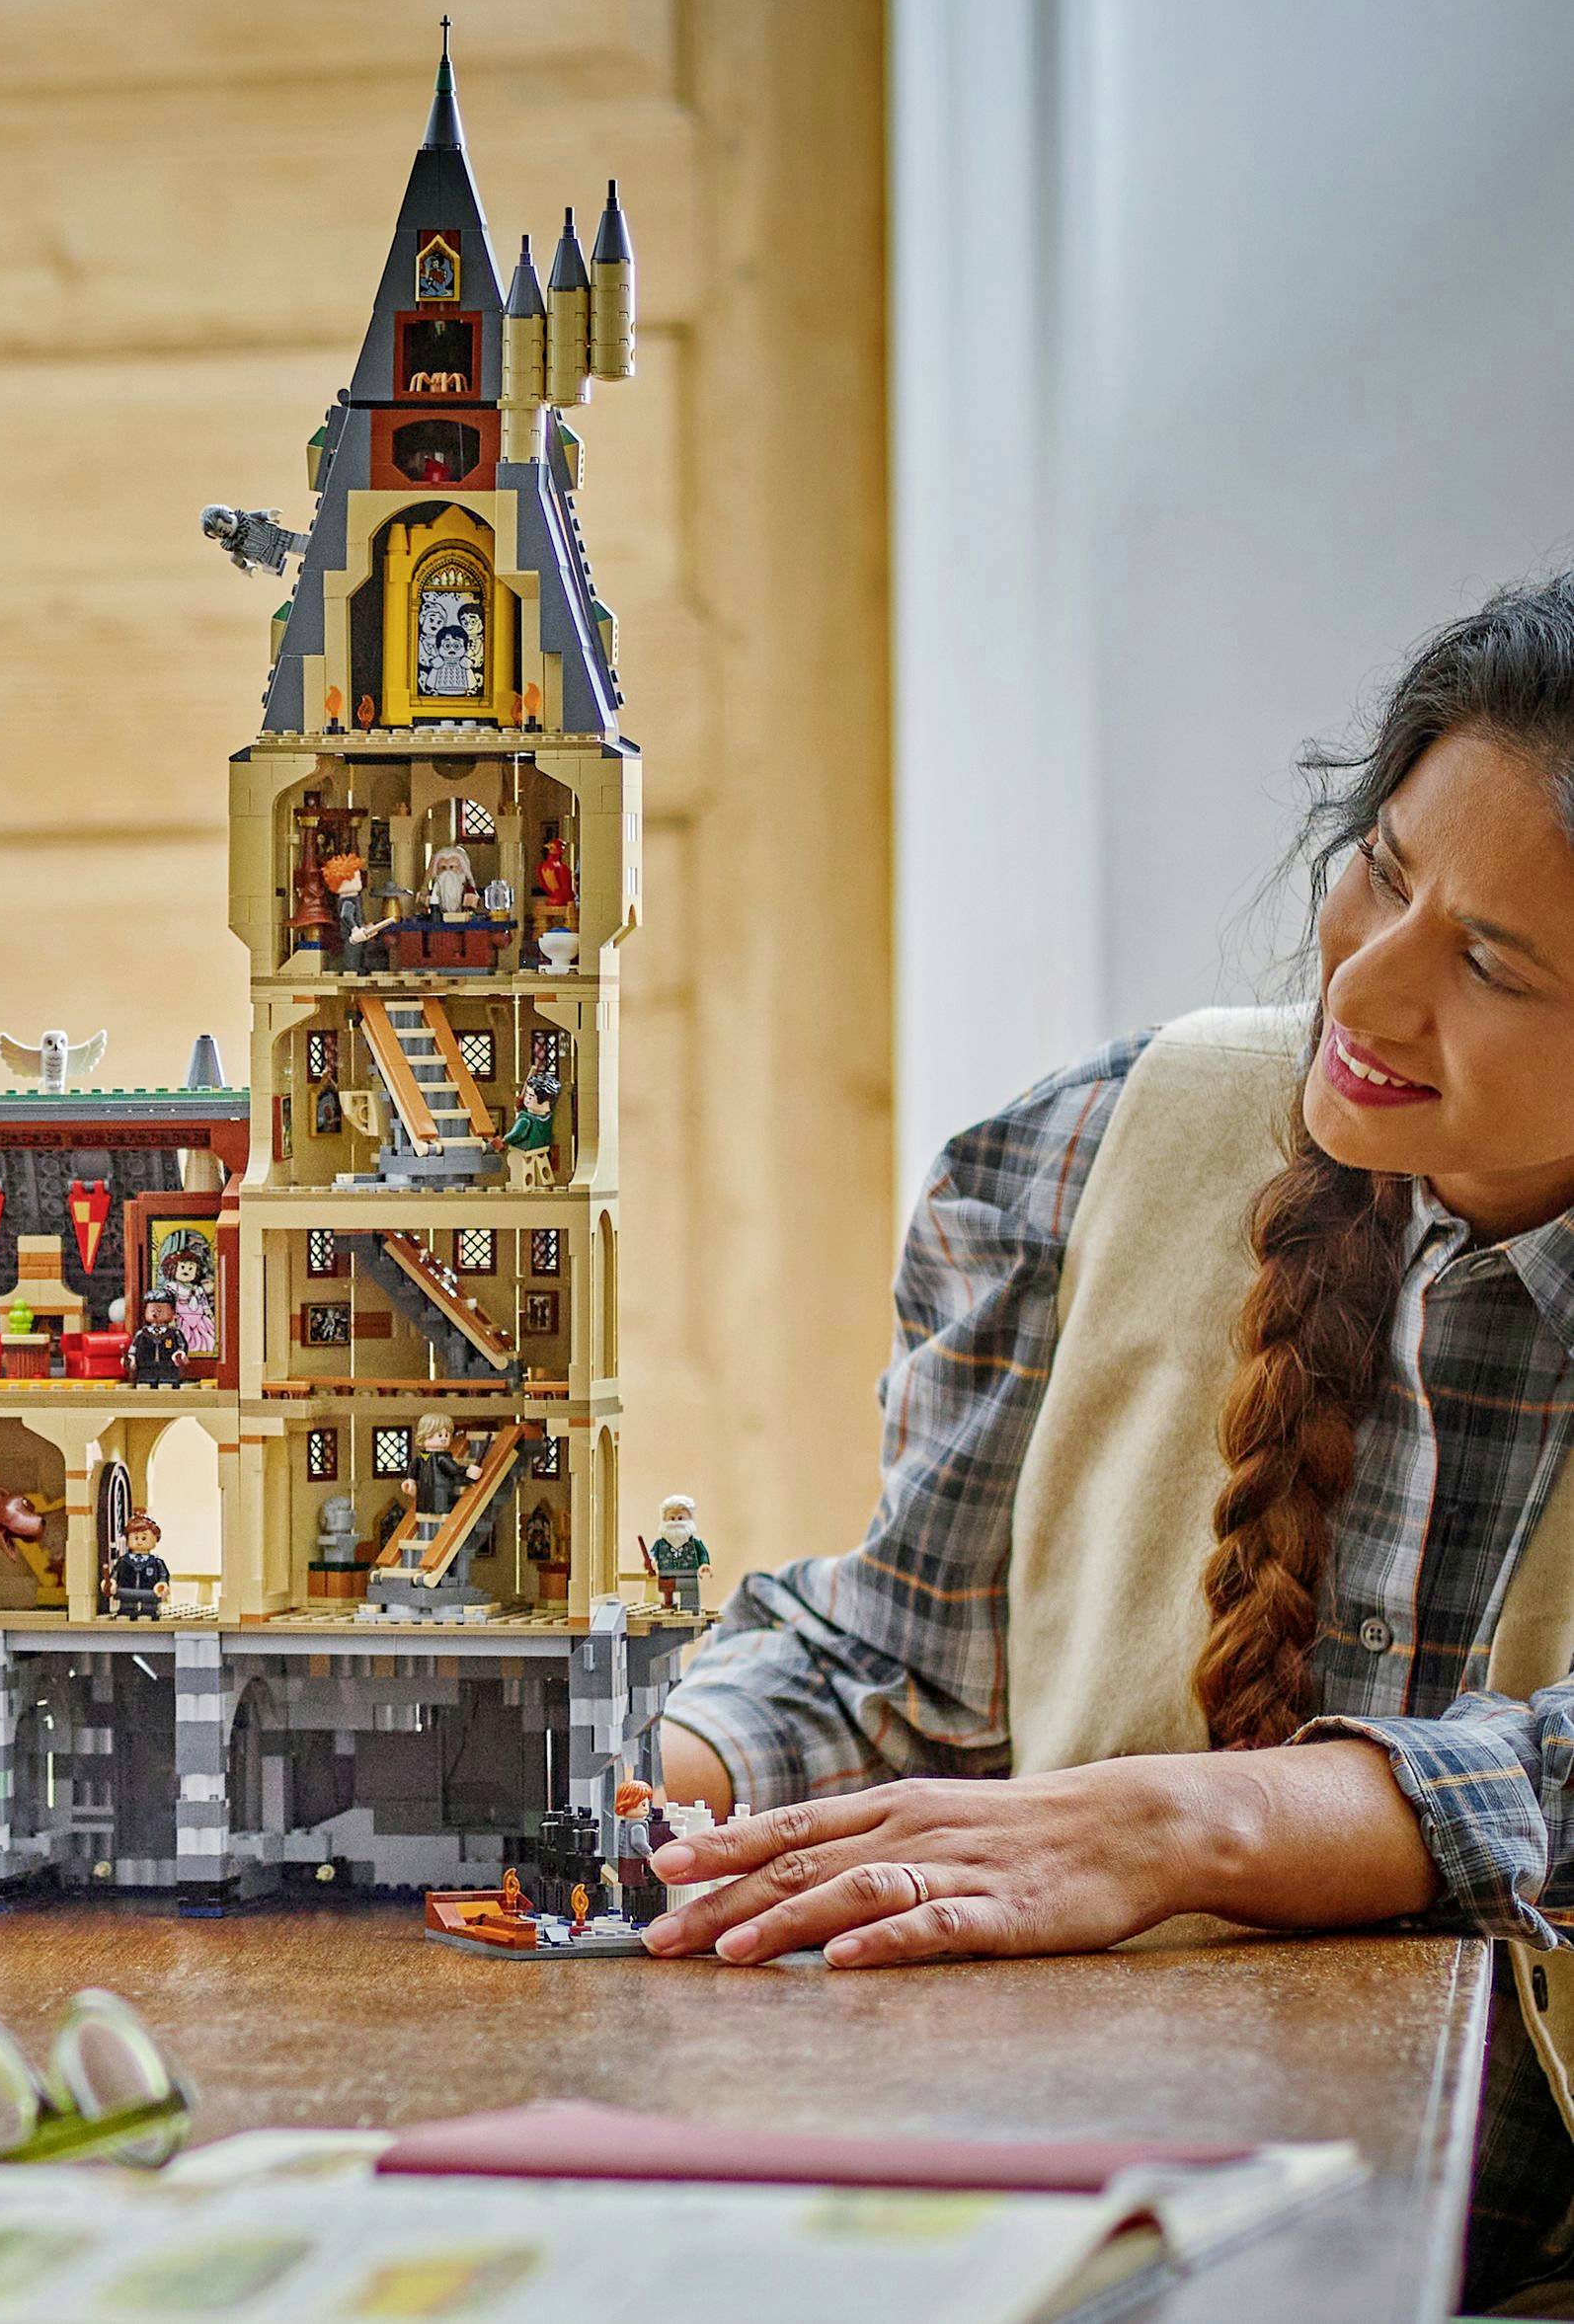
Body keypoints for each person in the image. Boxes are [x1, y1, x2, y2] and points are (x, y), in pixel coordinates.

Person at [648, 579, 1574, 2308]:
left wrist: (1201, 1826)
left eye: (1493, 964)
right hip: (1104, 2233)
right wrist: (653, 1785)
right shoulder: (1089, 1150)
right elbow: (901, 1673)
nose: (1365, 989)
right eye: (1379, 868)